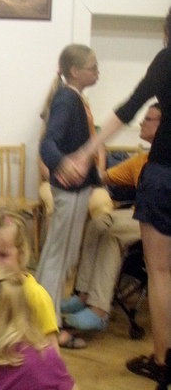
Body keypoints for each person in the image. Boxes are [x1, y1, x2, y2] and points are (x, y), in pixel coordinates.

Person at [63, 6, 171, 390]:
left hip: (165, 173)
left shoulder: (166, 59)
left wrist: (86, 151)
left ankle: (162, 365)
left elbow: (129, 108)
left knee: (161, 273)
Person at [61, 103, 161, 333]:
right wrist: (74, 174)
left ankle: (99, 311)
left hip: (159, 222)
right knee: (97, 224)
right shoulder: (140, 160)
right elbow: (103, 177)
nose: (142, 122)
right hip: (139, 215)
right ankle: (82, 295)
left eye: (148, 119)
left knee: (112, 235)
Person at [36, 44, 101, 349]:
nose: (97, 72)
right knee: (58, 258)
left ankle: (42, 317)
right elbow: (48, 143)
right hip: (70, 190)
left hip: (76, 188)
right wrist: (62, 163)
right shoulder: (66, 98)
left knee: (57, 256)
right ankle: (50, 326)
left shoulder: (71, 97)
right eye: (93, 67)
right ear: (75, 71)